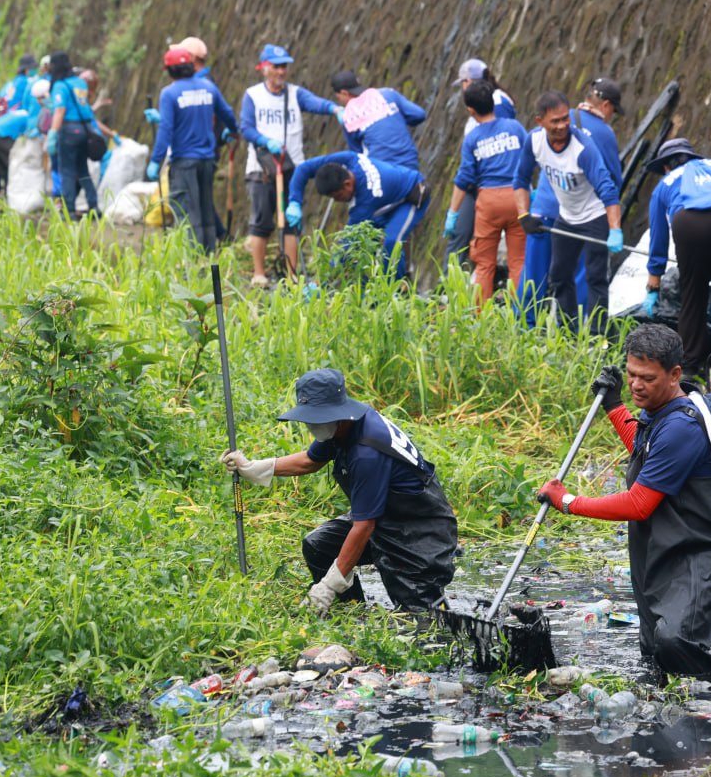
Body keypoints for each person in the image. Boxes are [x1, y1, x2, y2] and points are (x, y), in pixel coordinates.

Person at [536, 324, 711, 679]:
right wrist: (615, 405)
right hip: (658, 553)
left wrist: (569, 501)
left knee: (674, 643)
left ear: (675, 374)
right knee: (653, 658)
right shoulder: (659, 409)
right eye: (630, 375)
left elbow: (639, 504)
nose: (636, 385)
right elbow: (647, 451)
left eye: (646, 377)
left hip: (697, 556)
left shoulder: (683, 426)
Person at [220, 368, 457, 613]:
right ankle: (352, 613)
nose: (312, 425)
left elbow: (364, 526)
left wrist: (329, 585)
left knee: (421, 616)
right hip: (385, 518)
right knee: (319, 545)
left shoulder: (367, 452)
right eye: (309, 418)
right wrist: (255, 468)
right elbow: (310, 461)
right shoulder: (344, 426)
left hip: (419, 532)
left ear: (336, 412)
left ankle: (342, 598)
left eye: (317, 419)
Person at [514, 90, 623, 334]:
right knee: (559, 275)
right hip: (566, 216)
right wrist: (524, 214)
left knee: (595, 279)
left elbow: (608, 189)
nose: (563, 125)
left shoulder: (583, 147)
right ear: (539, 121)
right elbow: (520, 179)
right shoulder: (534, 141)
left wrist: (615, 229)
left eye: (566, 119)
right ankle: (567, 330)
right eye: (555, 121)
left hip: (594, 216)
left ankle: (597, 337)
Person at [239, 43, 342, 287]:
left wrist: (335, 109)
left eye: (284, 66)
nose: (281, 72)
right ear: (264, 68)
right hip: (261, 169)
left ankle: (292, 274)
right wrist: (265, 141)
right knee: (262, 221)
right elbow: (246, 128)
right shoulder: (253, 95)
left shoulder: (295, 94)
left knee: (291, 223)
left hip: (292, 168)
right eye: (276, 67)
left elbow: (317, 103)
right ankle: (259, 273)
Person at [644, 138, 711, 376]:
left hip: (689, 223)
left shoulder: (664, 185)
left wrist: (653, 280)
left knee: (693, 294)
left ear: (666, 166)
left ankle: (689, 366)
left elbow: (658, 235)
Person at [146, 46, 239, 252]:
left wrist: (156, 160)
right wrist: (233, 130)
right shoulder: (208, 87)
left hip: (183, 161)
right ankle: (209, 255)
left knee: (186, 210)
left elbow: (166, 129)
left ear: (169, 71)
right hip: (207, 160)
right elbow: (227, 112)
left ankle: (193, 260)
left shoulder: (169, 93)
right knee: (205, 208)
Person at [443, 81, 527, 304]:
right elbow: (530, 159)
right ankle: (519, 315)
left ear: (470, 111)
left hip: (489, 201)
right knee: (518, 261)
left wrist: (453, 213)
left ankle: (481, 319)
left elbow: (464, 179)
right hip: (518, 198)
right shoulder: (515, 127)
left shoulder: (473, 138)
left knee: (484, 263)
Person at [286, 151, 429, 280]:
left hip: (413, 194)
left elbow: (347, 244)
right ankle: (367, 289)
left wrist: (321, 282)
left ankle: (395, 292)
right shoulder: (350, 158)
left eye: (337, 196)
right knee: (364, 247)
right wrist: (294, 201)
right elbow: (303, 168)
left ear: (347, 184)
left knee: (391, 242)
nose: (337, 201)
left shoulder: (365, 201)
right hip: (386, 199)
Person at [447, 58, 517, 263]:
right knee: (463, 239)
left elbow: (499, 144)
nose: (462, 87)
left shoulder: (498, 104)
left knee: (466, 240)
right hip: (479, 182)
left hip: (487, 184)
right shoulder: (488, 100)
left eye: (464, 82)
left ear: (474, 81)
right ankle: (448, 289)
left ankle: (449, 288)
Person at [331, 70, 426, 171]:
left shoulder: (348, 116)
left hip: (382, 170)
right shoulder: (387, 93)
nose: (340, 101)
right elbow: (419, 115)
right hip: (410, 163)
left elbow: (357, 156)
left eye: (339, 98)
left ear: (344, 93)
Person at [45, 51, 102, 217]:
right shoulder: (80, 83)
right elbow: (85, 106)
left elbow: (60, 110)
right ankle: (94, 206)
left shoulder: (60, 85)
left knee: (67, 171)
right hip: (84, 130)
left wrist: (53, 134)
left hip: (68, 131)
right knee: (83, 170)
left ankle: (68, 209)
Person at [572, 77, 625, 188]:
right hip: (582, 200)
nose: (611, 115)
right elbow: (614, 178)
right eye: (613, 110)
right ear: (605, 106)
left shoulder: (562, 118)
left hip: (547, 197)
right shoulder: (604, 133)